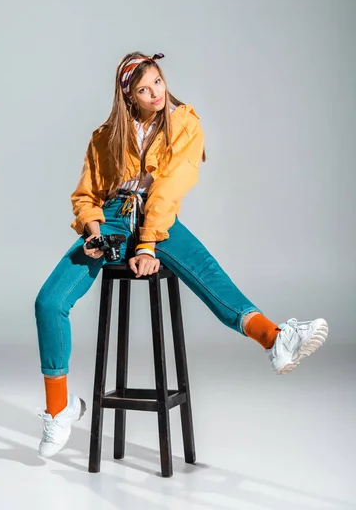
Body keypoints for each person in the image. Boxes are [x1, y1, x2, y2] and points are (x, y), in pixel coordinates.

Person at [35, 51, 329, 458]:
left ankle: (275, 338)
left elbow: (169, 188)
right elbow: (86, 195)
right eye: (143, 88)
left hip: (159, 218)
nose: (155, 92)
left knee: (206, 271)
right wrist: (95, 234)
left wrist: (148, 244)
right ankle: (59, 409)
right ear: (129, 97)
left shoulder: (184, 123)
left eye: (157, 81)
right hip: (114, 219)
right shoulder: (105, 136)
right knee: (48, 302)